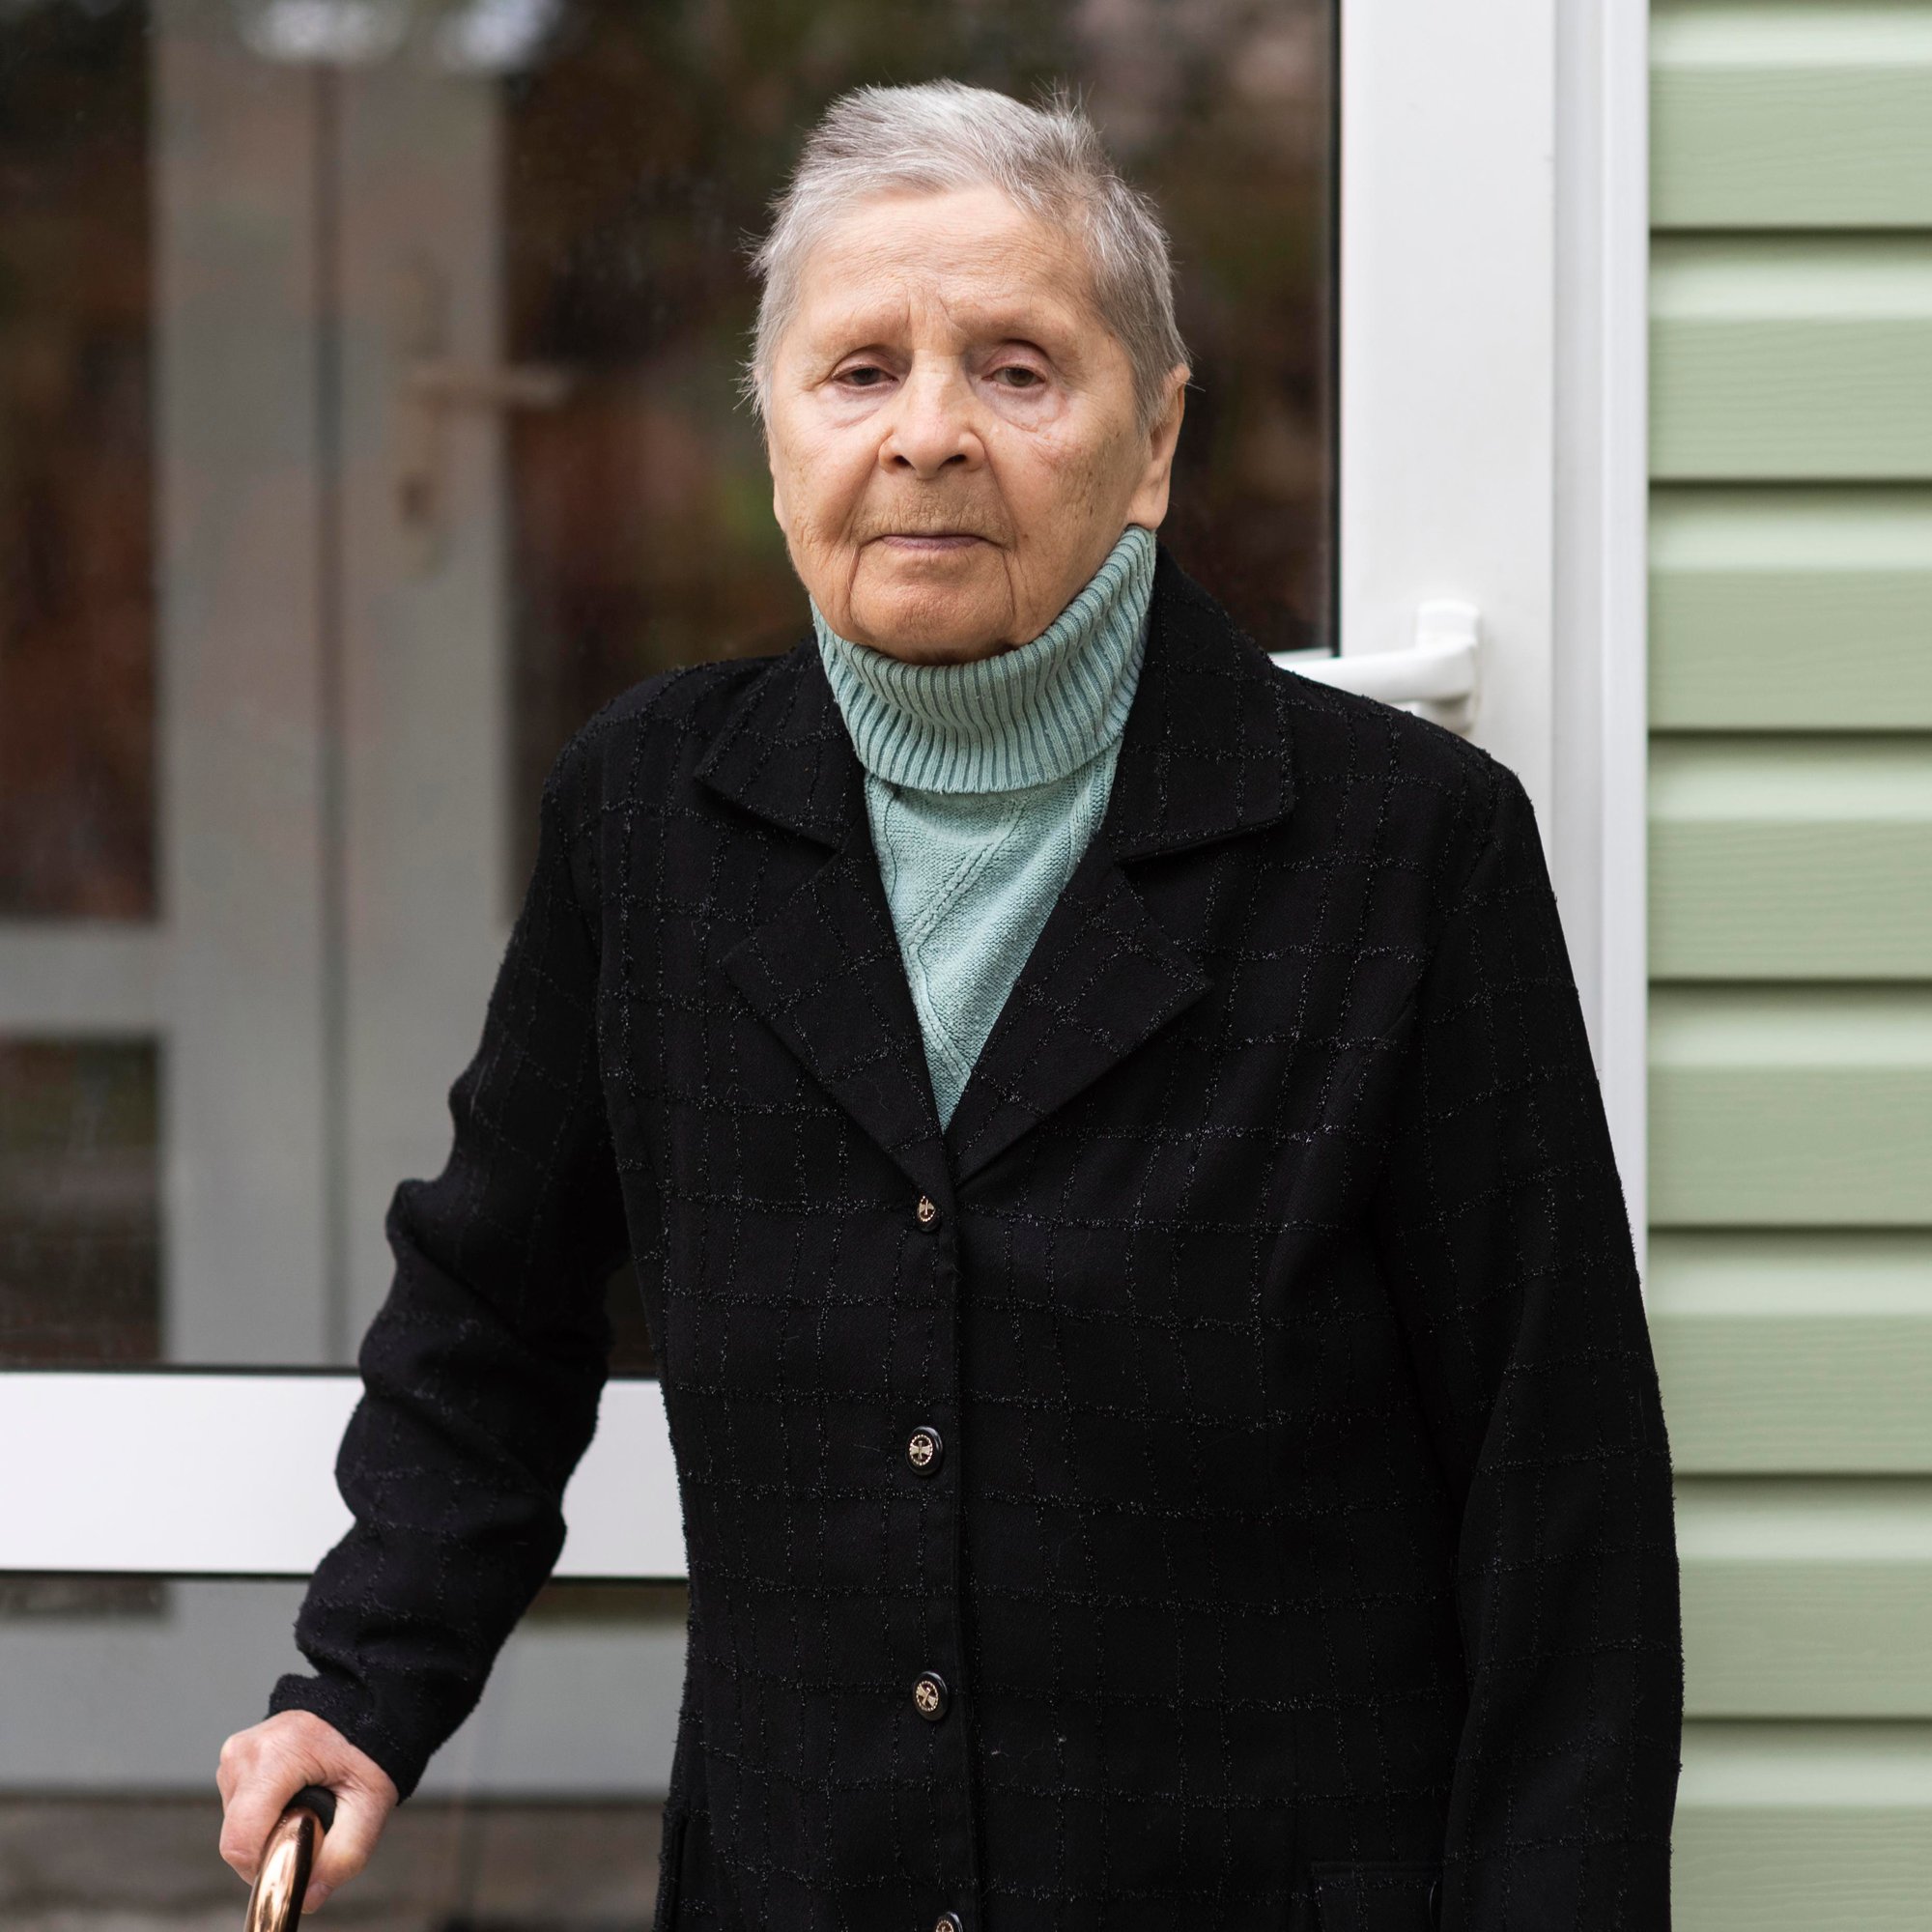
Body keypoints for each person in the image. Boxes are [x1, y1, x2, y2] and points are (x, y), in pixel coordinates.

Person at [217, 79, 1682, 1932]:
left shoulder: (1404, 855)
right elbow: (490, 1318)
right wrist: (362, 1683)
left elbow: (1561, 1505)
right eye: (857, 372)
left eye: (1014, 366)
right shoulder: (653, 818)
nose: (926, 436)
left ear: (1151, 444)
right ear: (775, 438)